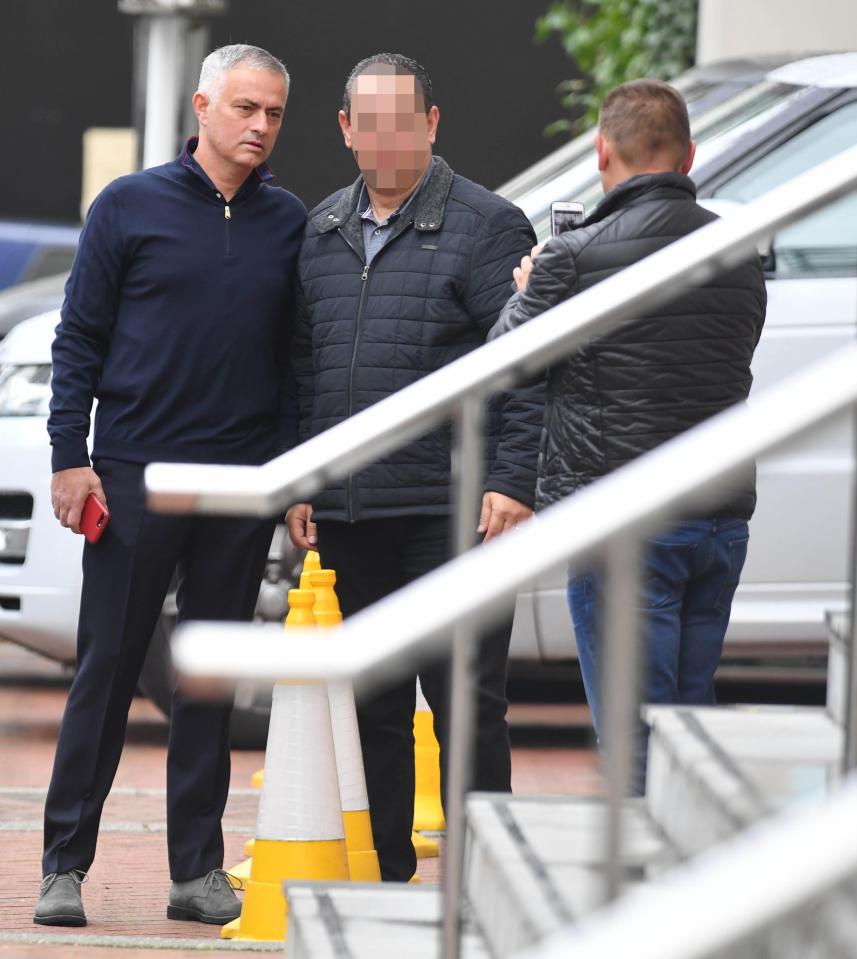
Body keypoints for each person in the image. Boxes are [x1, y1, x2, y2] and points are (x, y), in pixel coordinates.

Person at [37, 44, 306, 927]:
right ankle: (62, 866)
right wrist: (68, 456)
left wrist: (292, 471)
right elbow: (78, 339)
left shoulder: (290, 222)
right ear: (202, 107)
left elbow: (296, 361)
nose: (259, 126)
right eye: (244, 108)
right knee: (105, 669)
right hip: (133, 476)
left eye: (272, 112)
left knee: (208, 682)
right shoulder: (127, 206)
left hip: (239, 485)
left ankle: (196, 871)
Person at [286, 53, 543, 881]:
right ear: (345, 129)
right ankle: (389, 873)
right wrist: (299, 480)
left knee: (468, 701)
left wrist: (510, 479)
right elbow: (302, 367)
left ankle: (481, 879)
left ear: (432, 124)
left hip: (456, 509)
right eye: (371, 121)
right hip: (353, 510)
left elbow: (528, 365)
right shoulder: (320, 230)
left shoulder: (490, 225)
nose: (386, 137)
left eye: (405, 120)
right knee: (375, 705)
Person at [489, 79, 767, 791]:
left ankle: (650, 889)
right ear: (688, 155)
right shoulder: (737, 250)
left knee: (633, 735)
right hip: (716, 520)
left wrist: (528, 292)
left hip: (622, 521)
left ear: (601, 149)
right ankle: (695, 878)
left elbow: (500, 364)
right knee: (686, 719)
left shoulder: (573, 256)